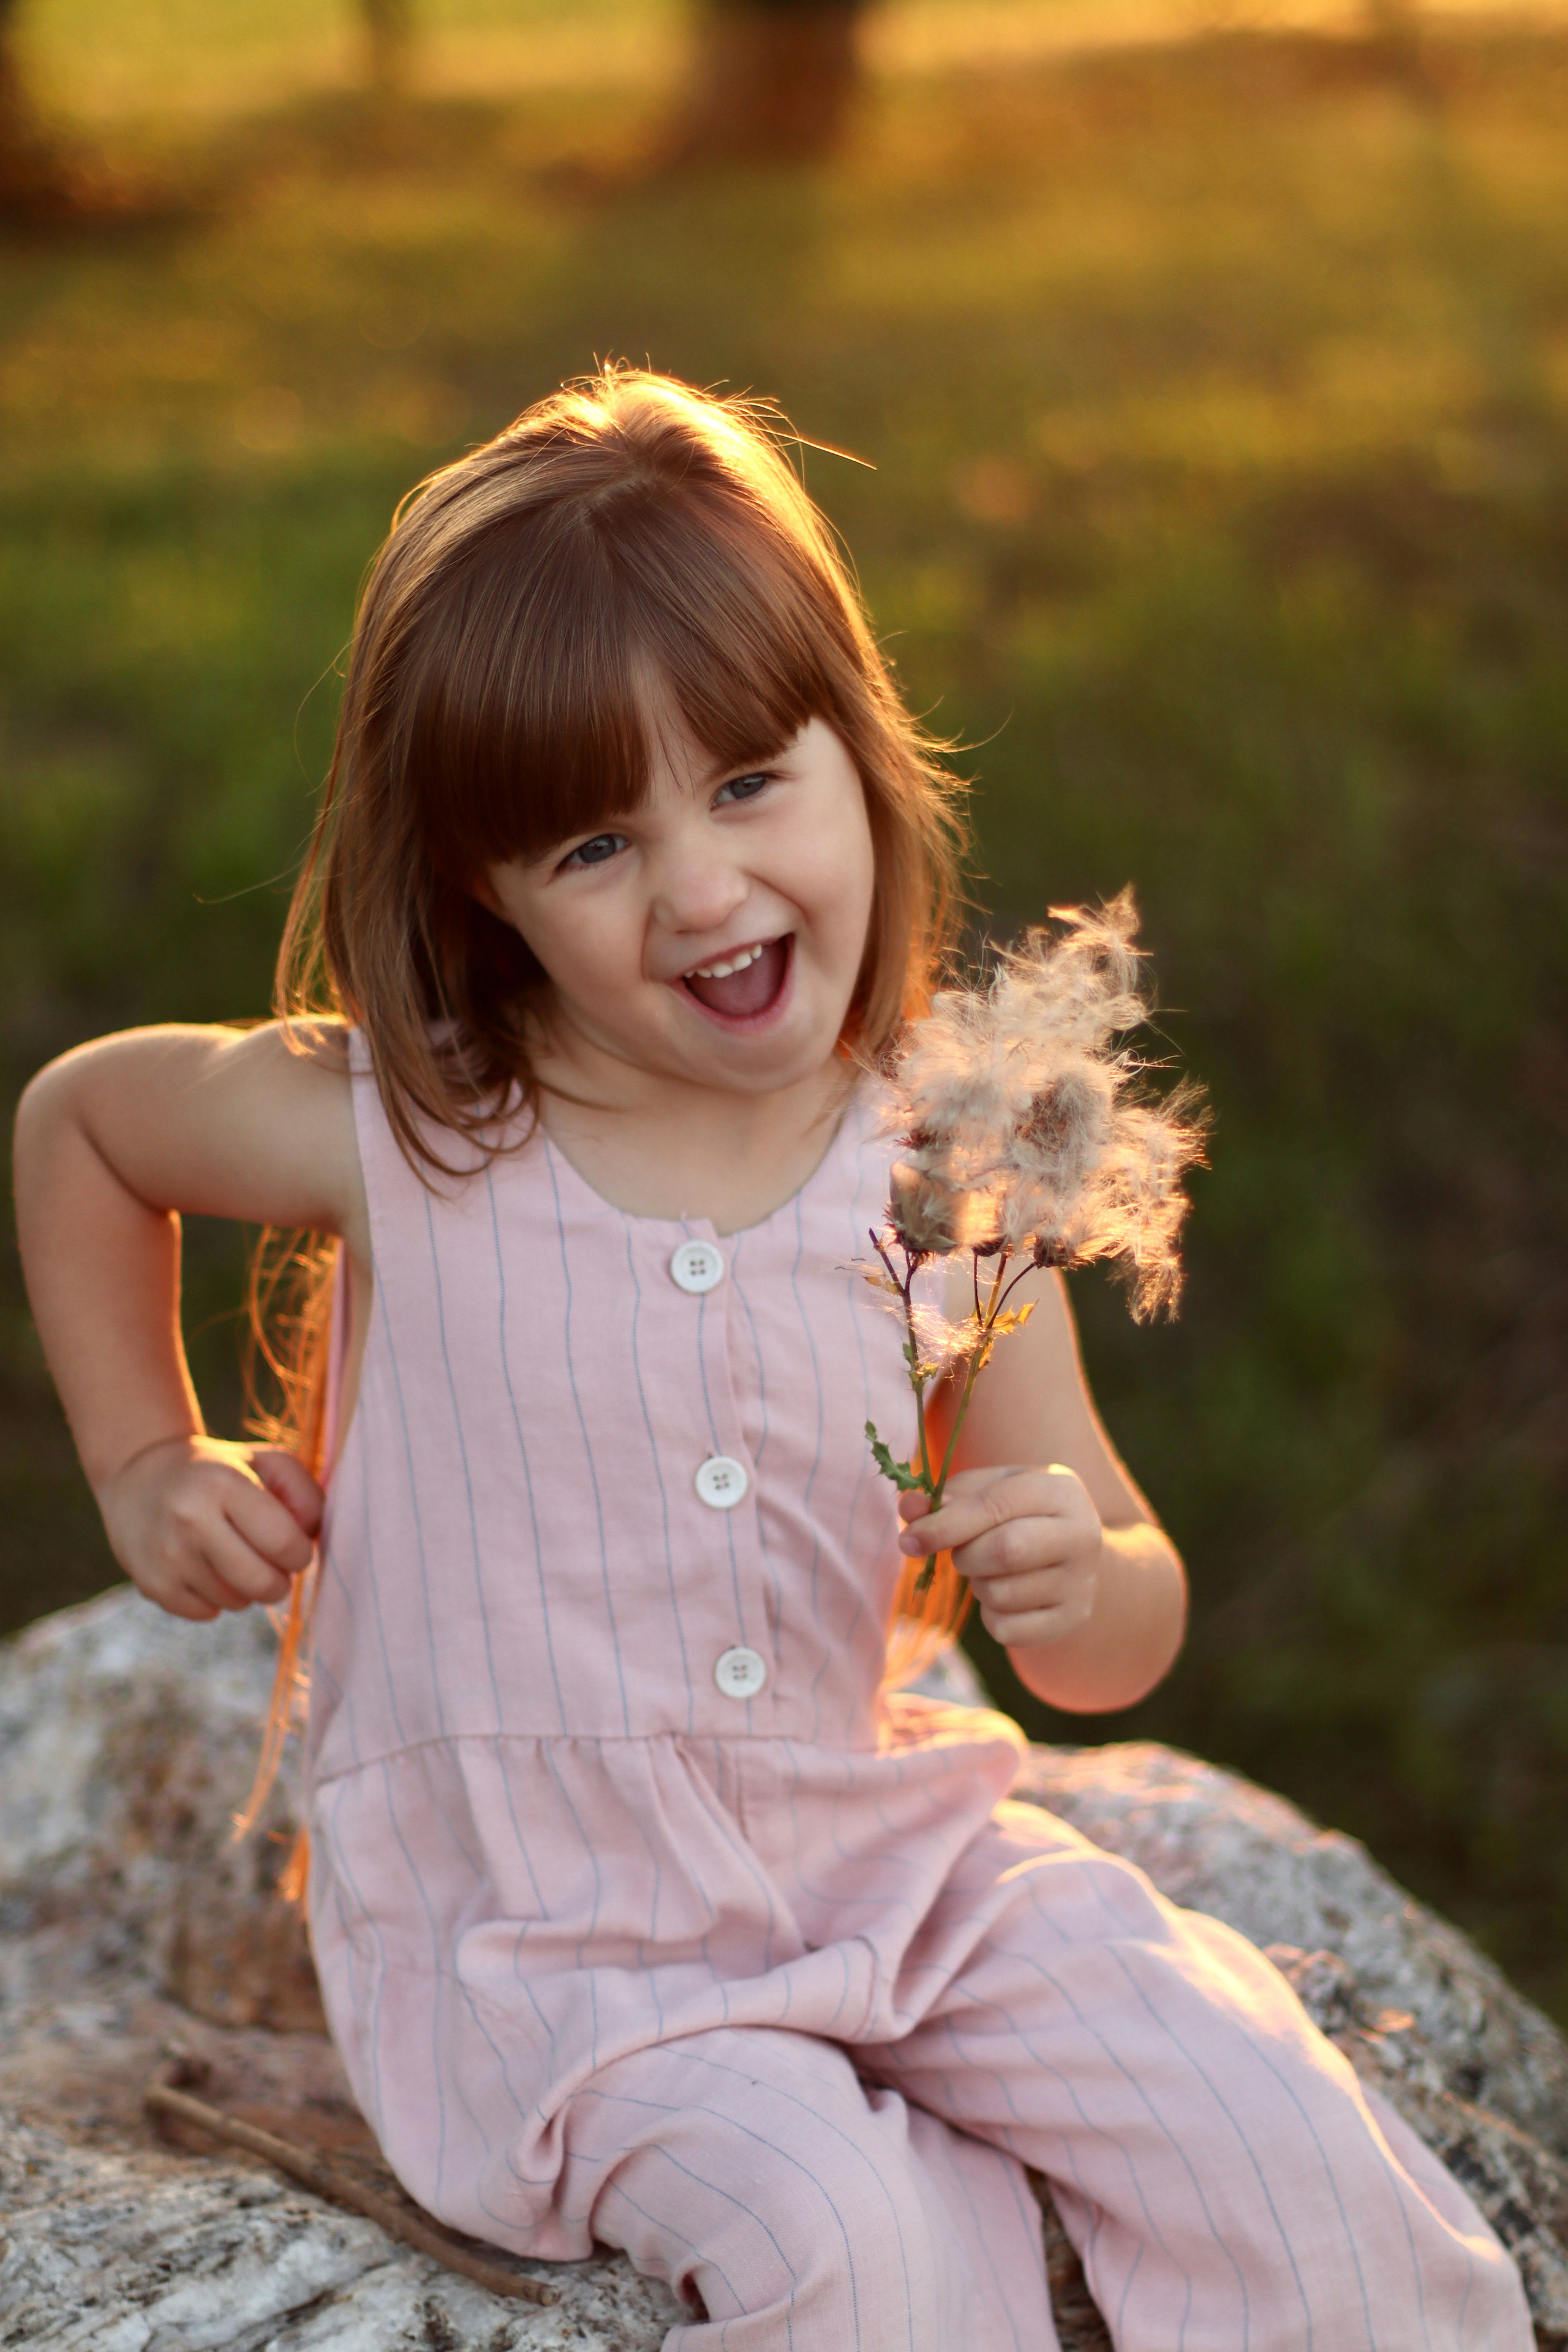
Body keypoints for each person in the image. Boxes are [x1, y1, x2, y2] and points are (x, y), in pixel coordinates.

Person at [13, 368, 1531, 2351]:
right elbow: (84, 1127)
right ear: (485, 885)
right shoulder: (418, 1127)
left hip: (891, 1862)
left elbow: (1115, 1614)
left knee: (1268, 2130)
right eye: (594, 847)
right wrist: (147, 1462)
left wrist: (1083, 1580)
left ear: (857, 750)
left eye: (747, 783)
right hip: (570, 1959)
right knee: (861, 2256)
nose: (705, 887)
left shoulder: (942, 1171)